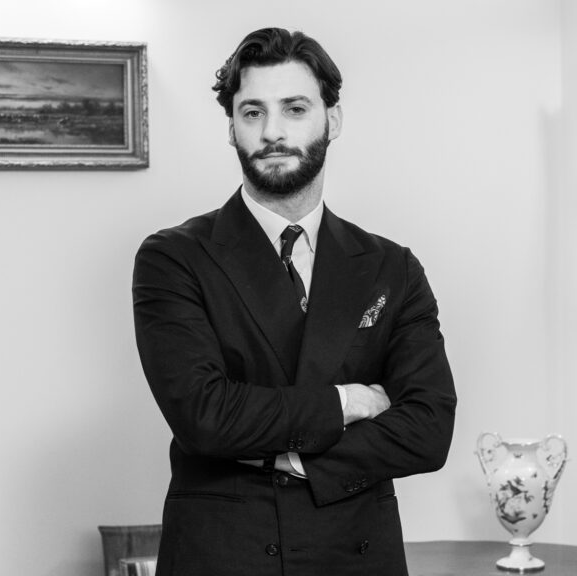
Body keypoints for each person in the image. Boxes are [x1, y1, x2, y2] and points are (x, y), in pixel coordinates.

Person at [132, 27, 456, 576]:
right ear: (231, 128)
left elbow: (428, 429)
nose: (273, 131)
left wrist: (287, 456)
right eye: (252, 112)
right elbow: (205, 417)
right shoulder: (174, 257)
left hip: (355, 554)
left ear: (333, 120)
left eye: (295, 108)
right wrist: (348, 403)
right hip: (225, 555)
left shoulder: (391, 267)